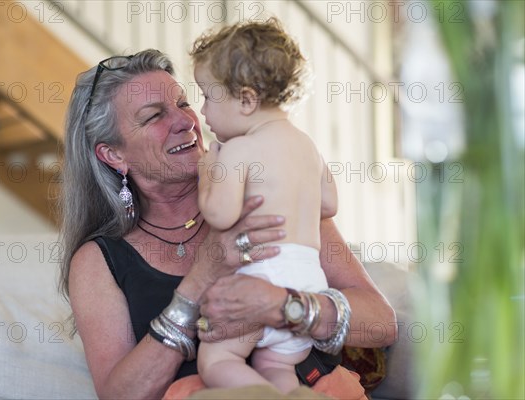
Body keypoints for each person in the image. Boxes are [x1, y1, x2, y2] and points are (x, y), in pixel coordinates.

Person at [59, 48, 397, 399]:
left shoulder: (272, 193)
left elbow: (381, 324)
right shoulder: (99, 261)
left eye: (184, 103)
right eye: (154, 116)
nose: (186, 121)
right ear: (113, 155)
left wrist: (282, 307)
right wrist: (199, 280)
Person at [190, 18, 339, 394]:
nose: (203, 111)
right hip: (308, 285)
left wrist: (209, 172)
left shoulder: (240, 149)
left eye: (207, 95)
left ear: (246, 99)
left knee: (217, 360)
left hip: (263, 275)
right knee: (275, 365)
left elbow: (220, 214)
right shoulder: (308, 146)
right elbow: (329, 203)